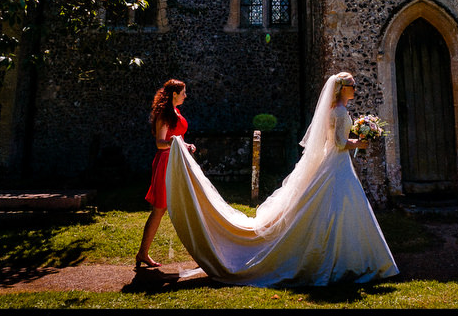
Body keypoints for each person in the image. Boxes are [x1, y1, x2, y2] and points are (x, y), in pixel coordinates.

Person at [165, 72, 399, 287]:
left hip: (336, 164)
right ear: (342, 88)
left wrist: (356, 136)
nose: (355, 89)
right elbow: (338, 143)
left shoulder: (336, 110)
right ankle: (343, 259)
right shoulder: (338, 111)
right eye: (352, 85)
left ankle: (343, 256)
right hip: (337, 164)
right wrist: (359, 142)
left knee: (340, 207)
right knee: (340, 205)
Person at [136, 78, 195, 271]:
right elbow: (161, 143)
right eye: (184, 92)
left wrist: (185, 145)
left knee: (190, 205)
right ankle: (143, 253)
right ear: (174, 94)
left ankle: (201, 252)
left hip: (178, 162)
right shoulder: (164, 113)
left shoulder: (175, 111)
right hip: (166, 163)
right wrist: (179, 144)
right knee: (159, 209)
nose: (186, 95)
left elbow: (176, 138)